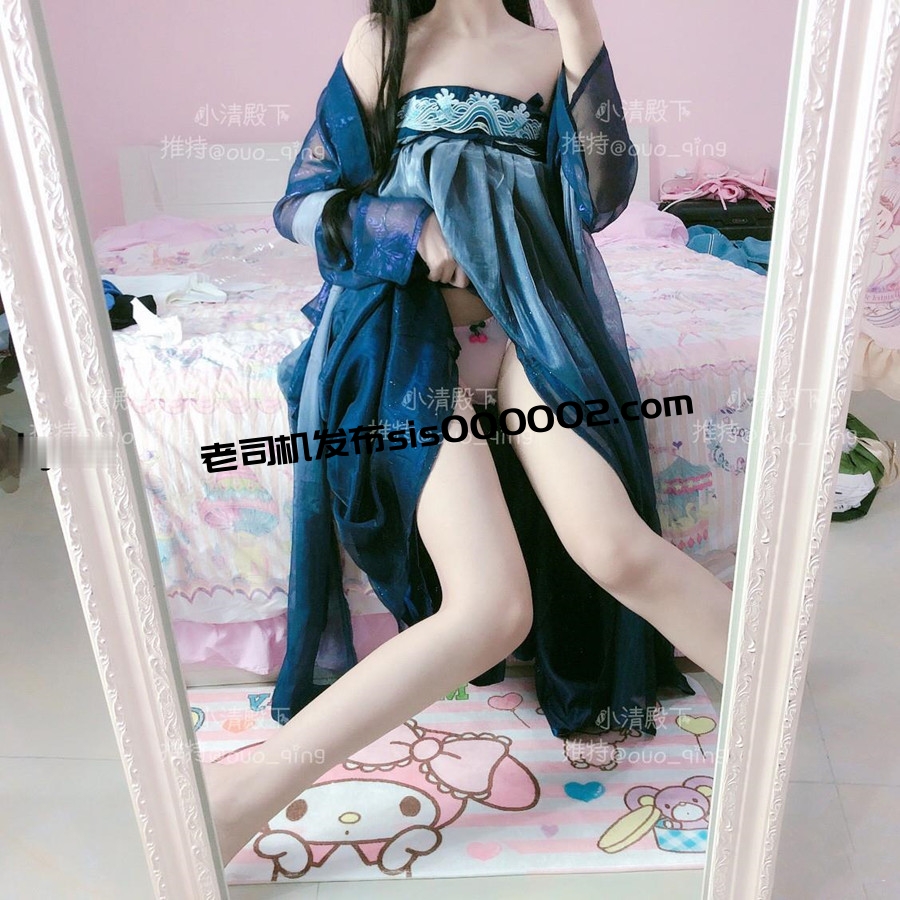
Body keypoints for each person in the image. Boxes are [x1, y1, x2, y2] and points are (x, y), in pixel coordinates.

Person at [204, 0, 733, 865]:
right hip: (401, 331)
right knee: (490, 609)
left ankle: (784, 708)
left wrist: (580, 24)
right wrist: (411, 228)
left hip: (536, 325)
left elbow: (602, 199)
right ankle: (242, 795)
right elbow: (300, 203)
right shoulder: (385, 41)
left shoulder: (552, 49)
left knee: (617, 548)